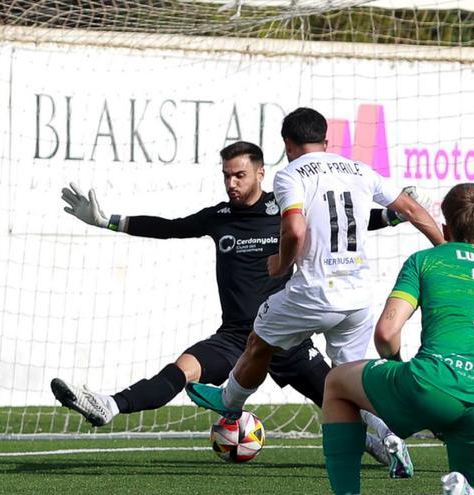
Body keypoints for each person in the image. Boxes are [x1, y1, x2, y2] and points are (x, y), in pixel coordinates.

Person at [51, 140, 421, 466]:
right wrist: (106, 221)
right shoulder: (218, 218)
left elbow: (342, 220)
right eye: (227, 176)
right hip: (235, 339)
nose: (232, 184)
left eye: (240, 175)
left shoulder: (287, 206)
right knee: (181, 370)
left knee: (341, 399)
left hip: (289, 338)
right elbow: (169, 226)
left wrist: (392, 214)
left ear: (261, 173)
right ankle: (108, 405)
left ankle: (382, 443)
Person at [186, 108, 445, 479]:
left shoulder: (290, 174)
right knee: (349, 380)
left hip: (314, 293)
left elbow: (294, 230)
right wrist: (443, 249)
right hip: (357, 299)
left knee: (258, 340)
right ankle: (389, 438)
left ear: (287, 145)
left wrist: (280, 264)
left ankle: (230, 402)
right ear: (326, 141)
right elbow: (411, 209)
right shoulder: (358, 170)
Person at [318, 182, 474, 495]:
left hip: (430, 383)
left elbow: (386, 333)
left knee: (336, 382)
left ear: (445, 227)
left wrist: (399, 376)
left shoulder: (428, 260)